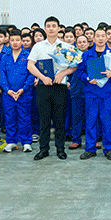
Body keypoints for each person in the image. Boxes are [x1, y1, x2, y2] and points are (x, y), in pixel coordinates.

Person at [27, 16, 77, 160]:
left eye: (53, 26)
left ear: (58, 28)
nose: (51, 28)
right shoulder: (38, 46)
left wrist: (62, 73)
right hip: (43, 86)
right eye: (48, 26)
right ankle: (43, 149)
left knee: (59, 120)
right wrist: (42, 77)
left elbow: (74, 66)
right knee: (44, 120)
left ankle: (60, 149)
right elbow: (30, 65)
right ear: (45, 28)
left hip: (60, 87)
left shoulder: (66, 46)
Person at [77, 28, 111, 160]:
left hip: (107, 93)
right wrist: (87, 78)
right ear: (93, 39)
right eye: (98, 36)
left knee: (108, 122)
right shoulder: (86, 55)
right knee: (91, 121)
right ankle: (90, 148)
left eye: (102, 36)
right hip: (91, 92)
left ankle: (109, 149)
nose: (100, 38)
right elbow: (80, 72)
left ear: (106, 38)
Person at [0, 29, 34, 153]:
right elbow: (2, 74)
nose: (15, 42)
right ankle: (11, 142)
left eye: (17, 40)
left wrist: (23, 89)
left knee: (24, 118)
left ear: (22, 41)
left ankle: (26, 142)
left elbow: (31, 74)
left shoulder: (28, 56)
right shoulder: (5, 57)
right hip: (8, 94)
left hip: (24, 93)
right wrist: (7, 90)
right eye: (12, 40)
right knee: (9, 118)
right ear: (9, 41)